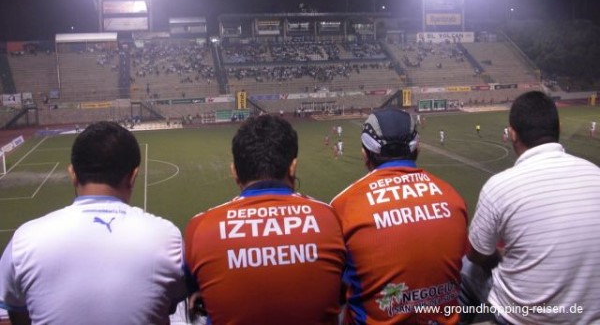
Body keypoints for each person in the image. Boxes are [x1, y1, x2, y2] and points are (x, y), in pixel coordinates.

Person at [0, 121, 187, 325]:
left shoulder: (24, 240)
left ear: (72, 174)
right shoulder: (168, 238)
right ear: (133, 176)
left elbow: (18, 312)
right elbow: (170, 305)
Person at [184, 114, 346, 325]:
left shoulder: (201, 227)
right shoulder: (329, 217)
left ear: (234, 171)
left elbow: (188, 291)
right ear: (293, 167)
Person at [462, 91, 600, 324]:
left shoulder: (499, 186)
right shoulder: (595, 174)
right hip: (587, 315)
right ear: (560, 127)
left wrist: (500, 256)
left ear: (513, 134)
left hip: (520, 318)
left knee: (465, 268)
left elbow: (477, 254)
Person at [331, 108, 468, 324]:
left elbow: (333, 287)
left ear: (365, 154)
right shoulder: (453, 197)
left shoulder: (343, 205)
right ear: (418, 148)